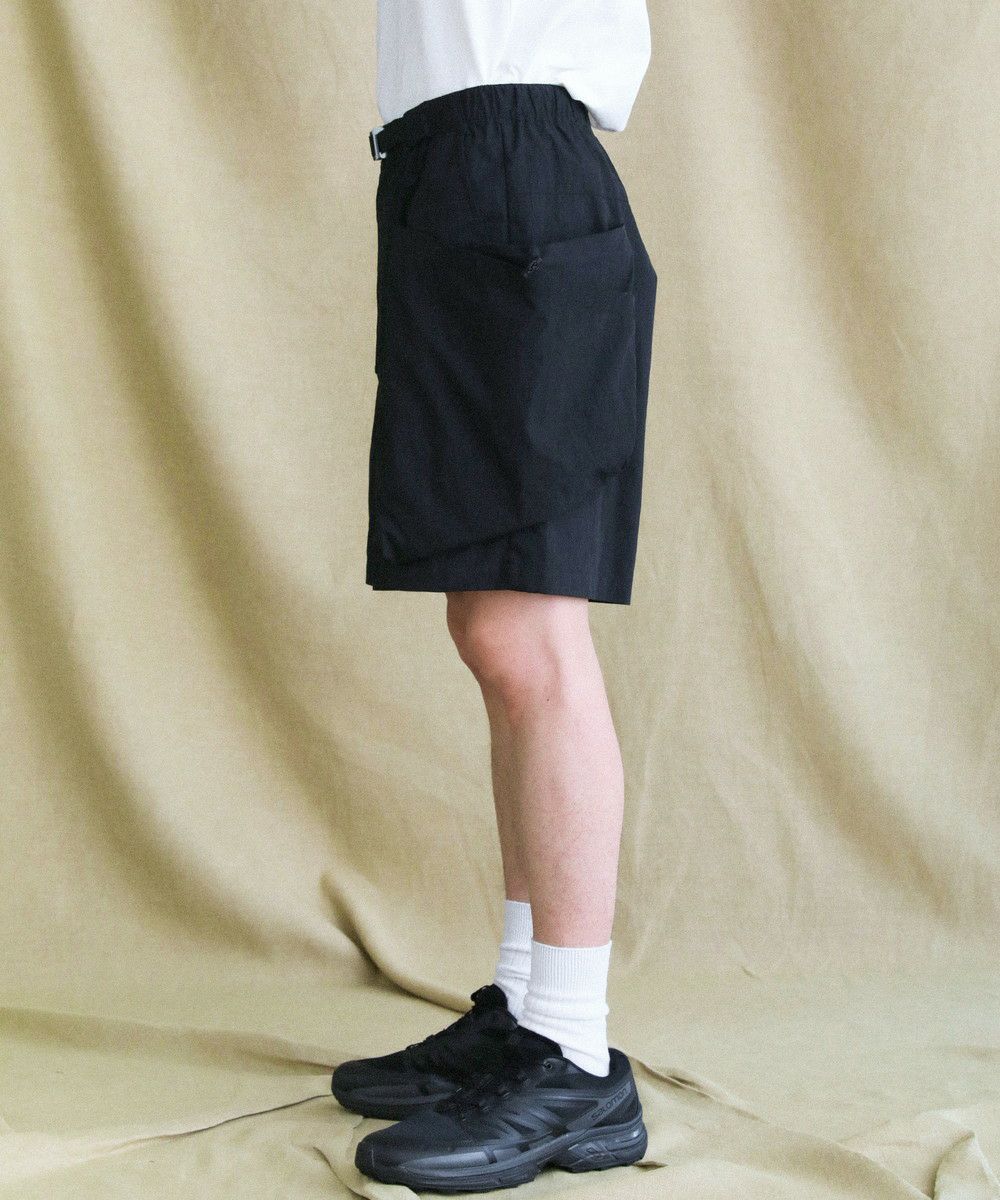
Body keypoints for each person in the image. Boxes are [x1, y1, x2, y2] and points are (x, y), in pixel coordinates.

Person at [334, 1, 658, 1190]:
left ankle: (573, 1053)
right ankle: (528, 1011)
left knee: (529, 631)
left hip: (512, 169)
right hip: (451, 173)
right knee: (489, 625)